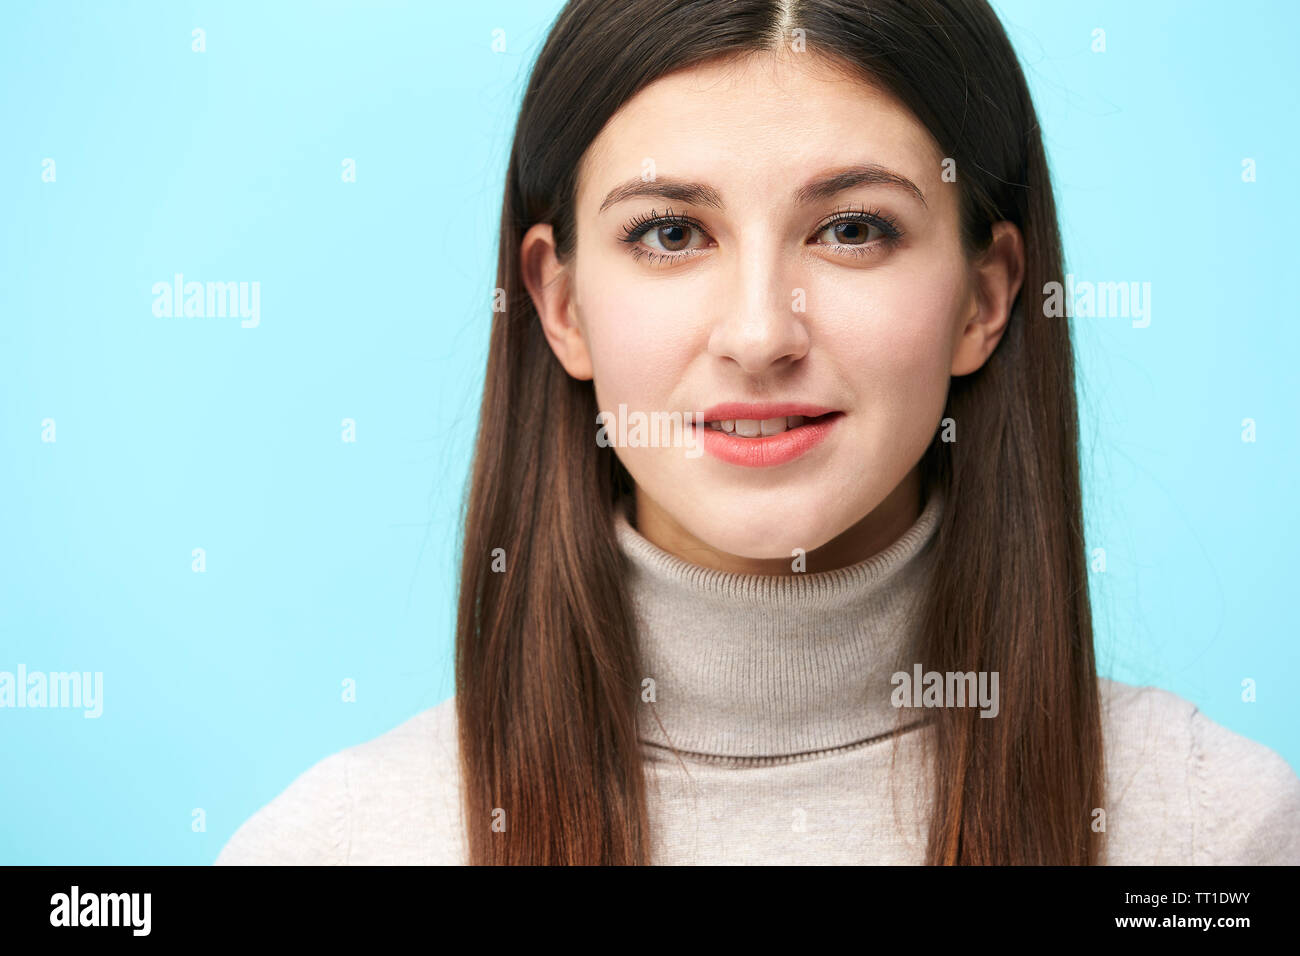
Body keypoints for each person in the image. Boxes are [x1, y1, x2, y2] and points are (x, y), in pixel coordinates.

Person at [217, 0, 1300, 865]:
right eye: (670, 232)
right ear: (560, 304)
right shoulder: (331, 847)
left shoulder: (1215, 832)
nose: (756, 334)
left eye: (852, 228)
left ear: (984, 297)